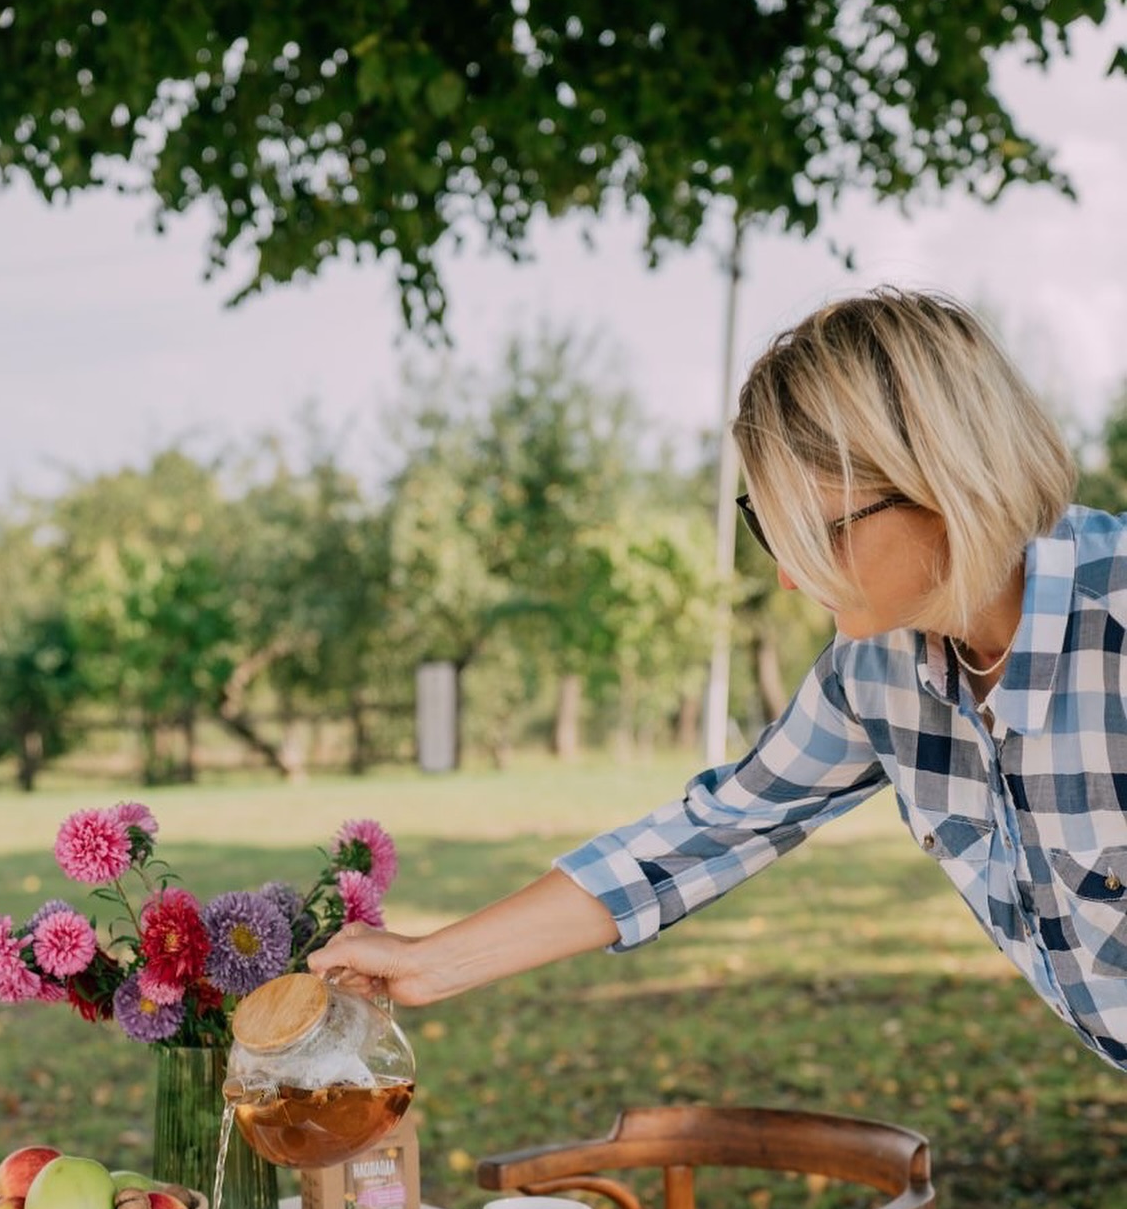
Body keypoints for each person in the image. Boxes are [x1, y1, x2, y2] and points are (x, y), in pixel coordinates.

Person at [308, 287, 1127, 1072]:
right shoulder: (880, 671)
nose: (791, 581)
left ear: (947, 485)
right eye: (775, 534)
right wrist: (431, 962)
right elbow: (711, 832)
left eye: (823, 535)